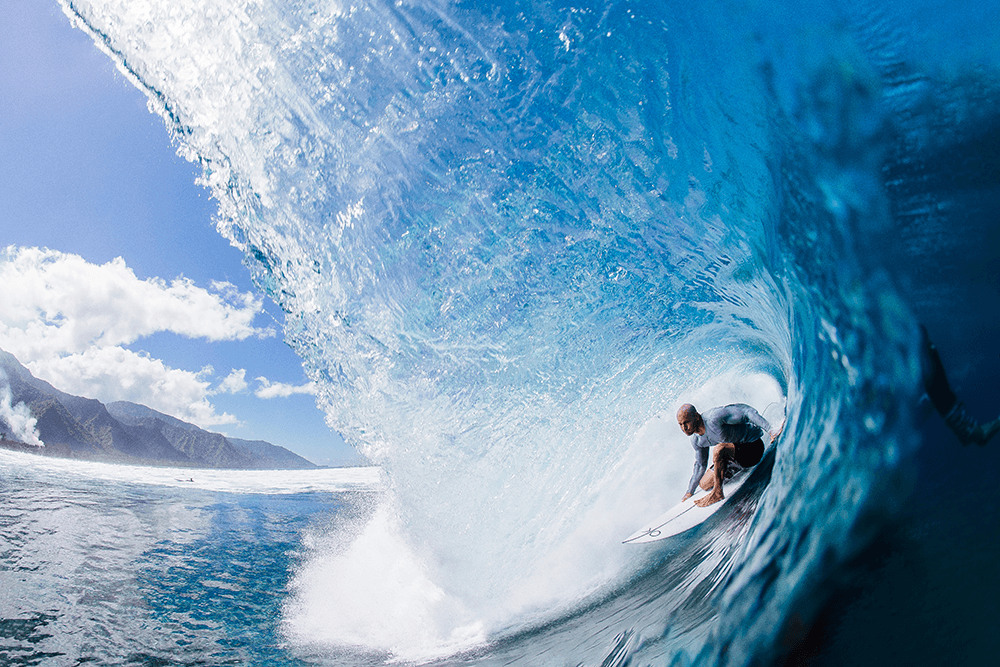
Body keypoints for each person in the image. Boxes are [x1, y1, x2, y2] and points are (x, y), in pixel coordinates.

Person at [677, 403, 777, 507]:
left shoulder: (714, 418)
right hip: (738, 457)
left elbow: (746, 412)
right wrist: (689, 491)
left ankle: (717, 493)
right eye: (680, 424)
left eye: (686, 422)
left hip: (753, 448)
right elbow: (700, 465)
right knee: (704, 484)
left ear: (696, 417)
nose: (684, 428)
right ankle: (732, 469)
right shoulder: (696, 440)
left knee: (719, 449)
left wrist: (770, 430)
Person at [920, 325, 1000, 445]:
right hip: (948, 407)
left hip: (949, 408)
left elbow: (934, 381)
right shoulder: (927, 353)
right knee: (974, 437)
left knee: (978, 437)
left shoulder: (926, 355)